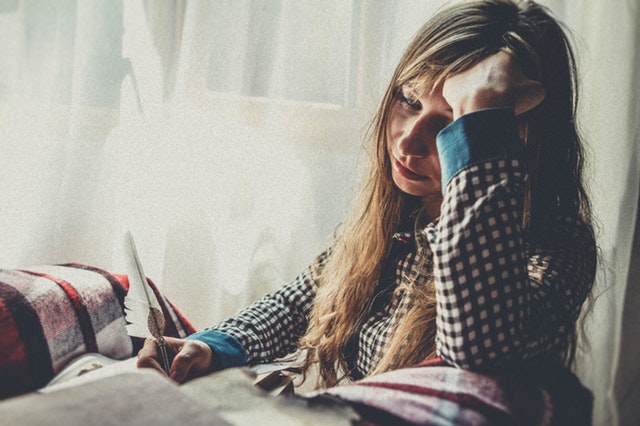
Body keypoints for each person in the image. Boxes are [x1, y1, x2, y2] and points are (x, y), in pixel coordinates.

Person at [138, 0, 597, 391]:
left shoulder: (558, 245)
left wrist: (481, 118)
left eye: (452, 122)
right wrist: (214, 346)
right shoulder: (400, 218)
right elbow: (303, 300)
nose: (408, 142)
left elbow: (477, 351)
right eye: (409, 101)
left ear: (515, 138)